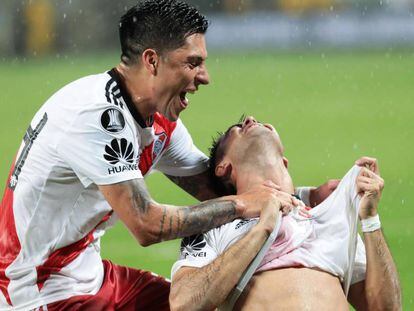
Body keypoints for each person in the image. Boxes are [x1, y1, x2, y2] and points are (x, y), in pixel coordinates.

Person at [0, 1, 335, 309]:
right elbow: (148, 225)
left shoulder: (159, 122)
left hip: (88, 273)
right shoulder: (98, 117)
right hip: (37, 290)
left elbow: (217, 188)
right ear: (152, 61)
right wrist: (242, 205)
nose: (205, 77)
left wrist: (304, 197)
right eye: (193, 63)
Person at [170, 116, 402, 311]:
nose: (251, 119)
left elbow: (385, 308)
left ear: (284, 161)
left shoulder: (329, 218)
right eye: (238, 128)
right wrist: (262, 229)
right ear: (223, 168)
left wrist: (370, 219)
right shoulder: (214, 225)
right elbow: (184, 303)